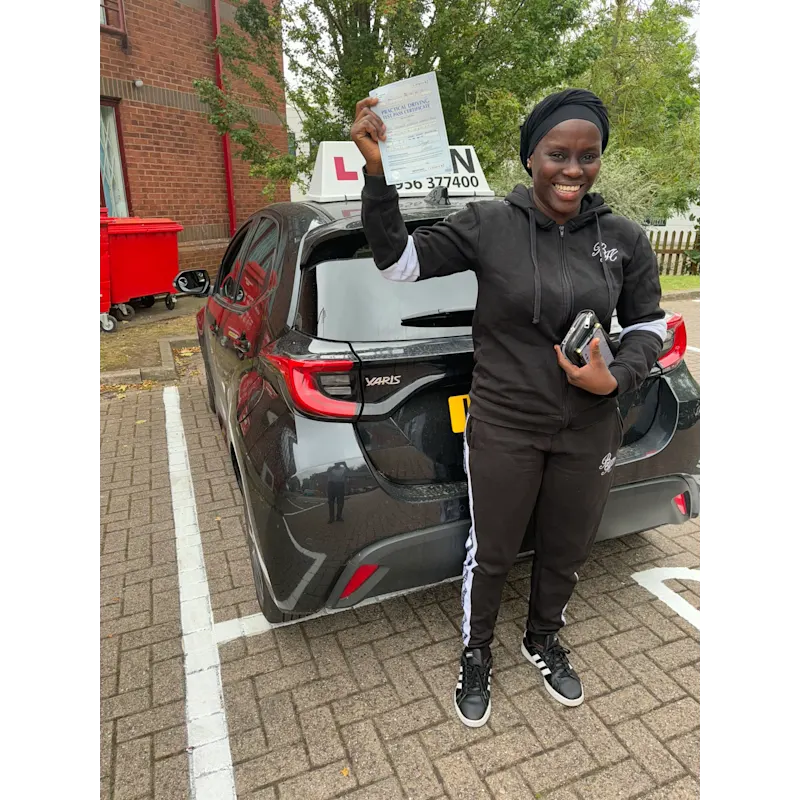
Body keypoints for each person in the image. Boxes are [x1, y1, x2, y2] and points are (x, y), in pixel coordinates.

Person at [350, 88, 666, 727]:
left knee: (567, 545)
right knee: (492, 551)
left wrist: (616, 381)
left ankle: (542, 638)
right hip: (504, 424)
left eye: (588, 155)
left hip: (589, 425)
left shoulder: (623, 238)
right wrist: (377, 173)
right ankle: (477, 652)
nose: (573, 170)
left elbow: (650, 326)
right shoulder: (488, 224)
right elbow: (398, 263)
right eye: (557, 154)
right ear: (531, 158)